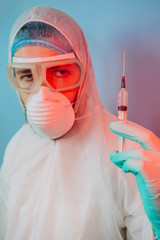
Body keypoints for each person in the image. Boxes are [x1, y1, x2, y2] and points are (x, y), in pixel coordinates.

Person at [0, 5, 158, 239]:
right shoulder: (16, 148)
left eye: (60, 72)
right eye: (28, 75)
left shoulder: (126, 155)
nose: (43, 94)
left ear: (84, 73)